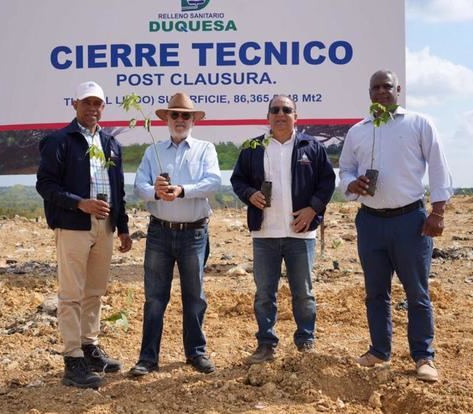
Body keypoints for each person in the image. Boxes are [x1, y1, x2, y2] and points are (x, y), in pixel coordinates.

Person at [339, 70, 454, 382]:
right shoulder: (358, 131)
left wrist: (438, 211)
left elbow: (439, 166)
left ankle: (423, 357)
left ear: (398, 89)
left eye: (386, 86)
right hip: (370, 222)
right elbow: (345, 170)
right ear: (369, 93)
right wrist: (353, 184)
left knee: (417, 293)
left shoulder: (418, 123)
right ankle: (379, 350)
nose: (381, 91)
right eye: (375, 87)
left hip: (410, 221)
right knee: (376, 292)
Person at [36, 81, 132, 388]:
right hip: (73, 225)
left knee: (95, 291)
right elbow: (46, 185)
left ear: (104, 107)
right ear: (75, 104)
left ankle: (89, 347)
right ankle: (72, 359)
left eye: (98, 104)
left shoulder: (111, 143)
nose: (93, 108)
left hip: (104, 226)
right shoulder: (59, 141)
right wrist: (80, 204)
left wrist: (124, 226)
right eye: (87, 103)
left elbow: (118, 188)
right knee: (71, 294)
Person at [231, 95, 336, 364]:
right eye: (275, 110)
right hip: (265, 233)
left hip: (300, 233)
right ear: (267, 116)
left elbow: (327, 181)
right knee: (265, 293)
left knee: (303, 293)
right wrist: (250, 193)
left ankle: (305, 342)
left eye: (286, 110)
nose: (280, 114)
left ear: (295, 117)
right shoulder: (253, 147)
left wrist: (313, 208)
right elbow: (238, 179)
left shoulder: (310, 146)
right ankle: (266, 344)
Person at [129, 92, 221, 377]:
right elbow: (138, 186)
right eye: (174, 115)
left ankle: (196, 353)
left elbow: (214, 182)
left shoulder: (205, 149)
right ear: (166, 119)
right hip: (159, 232)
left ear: (193, 119)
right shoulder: (152, 151)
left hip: (194, 233)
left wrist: (182, 190)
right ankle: (147, 358)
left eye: (185, 115)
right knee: (155, 297)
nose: (180, 120)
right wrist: (154, 191)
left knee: (195, 297)